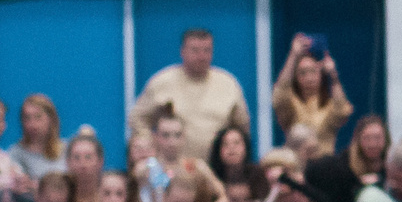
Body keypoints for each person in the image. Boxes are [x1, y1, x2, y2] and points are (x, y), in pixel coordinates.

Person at [127, 27, 251, 158]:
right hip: (173, 167)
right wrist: (152, 148)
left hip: (217, 168)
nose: (201, 56)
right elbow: (137, 119)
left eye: (206, 50)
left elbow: (242, 127)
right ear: (182, 52)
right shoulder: (162, 83)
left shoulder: (228, 84)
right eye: (195, 50)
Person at [270, 36, 352, 150]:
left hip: (324, 164)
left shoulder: (329, 105)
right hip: (296, 164)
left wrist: (333, 76)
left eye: (313, 71)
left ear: (321, 74)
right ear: (296, 78)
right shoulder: (291, 104)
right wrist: (293, 55)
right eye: (302, 73)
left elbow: (342, 110)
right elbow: (279, 97)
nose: (309, 78)